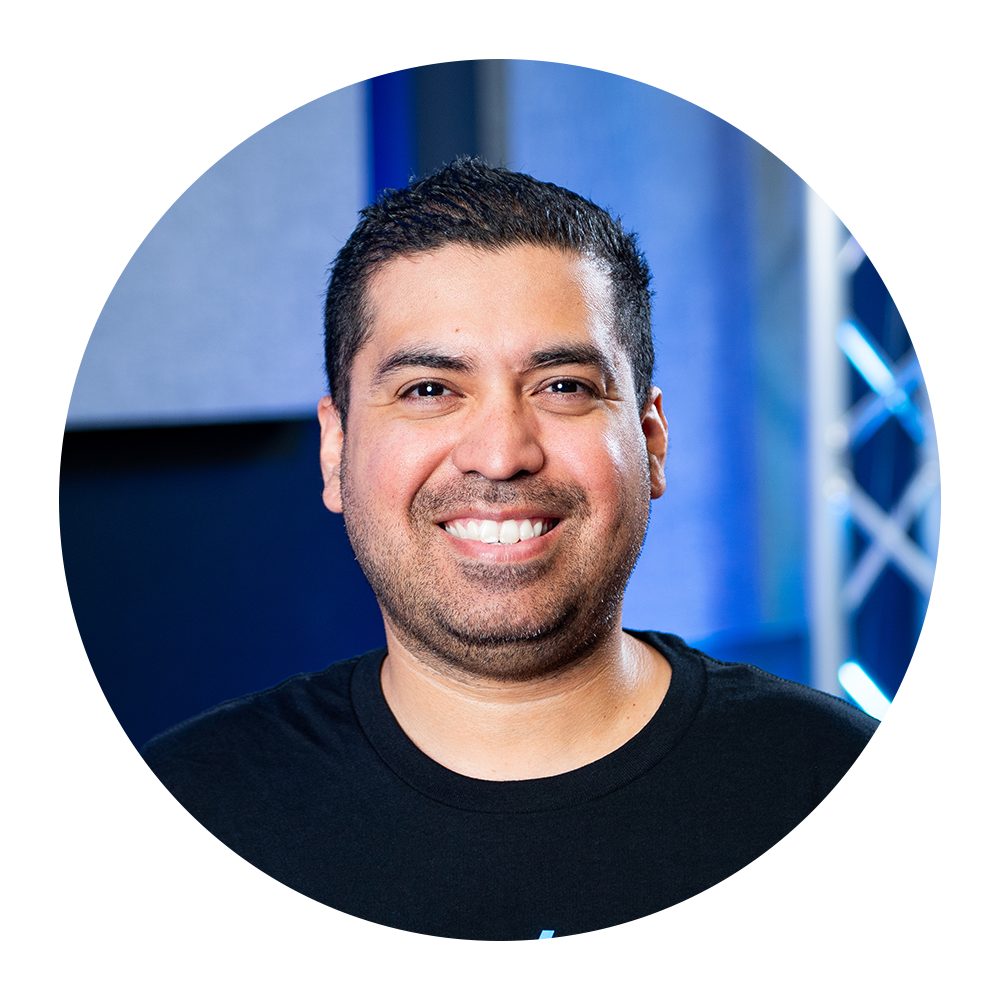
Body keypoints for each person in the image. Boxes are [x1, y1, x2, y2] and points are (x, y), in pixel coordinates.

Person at [60, 158, 940, 940]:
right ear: (335, 451)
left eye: (563, 386)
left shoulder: (860, 803)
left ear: (651, 441)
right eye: (430, 389)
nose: (500, 452)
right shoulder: (182, 818)